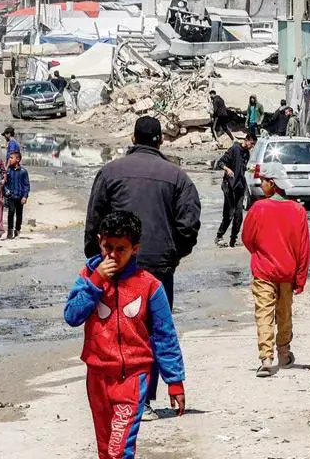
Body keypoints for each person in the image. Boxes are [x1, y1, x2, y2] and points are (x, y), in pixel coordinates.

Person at [86, 116, 201, 421]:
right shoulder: (177, 176)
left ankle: (117, 395)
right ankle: (143, 399)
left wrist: (96, 262)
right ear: (160, 140)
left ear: (133, 138)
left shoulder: (110, 172)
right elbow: (189, 223)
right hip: (158, 268)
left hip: (114, 265)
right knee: (154, 330)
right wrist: (173, 254)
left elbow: (94, 218)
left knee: (116, 329)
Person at [64, 210, 186, 459]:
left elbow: (164, 335)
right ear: (100, 241)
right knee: (105, 449)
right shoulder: (88, 277)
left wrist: (174, 381)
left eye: (121, 249)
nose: (112, 255)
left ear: (135, 249)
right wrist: (96, 282)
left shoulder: (149, 285)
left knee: (119, 450)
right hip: (97, 377)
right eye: (108, 247)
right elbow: (72, 316)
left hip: (132, 378)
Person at [241, 162, 310, 378]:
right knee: (284, 313)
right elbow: (304, 249)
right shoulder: (298, 210)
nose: (260, 184)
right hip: (288, 273)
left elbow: (247, 238)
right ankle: (284, 353)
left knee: (264, 313)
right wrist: (300, 278)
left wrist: (260, 254)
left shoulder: (258, 208)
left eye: (263, 180)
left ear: (272, 183)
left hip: (263, 271)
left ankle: (266, 359)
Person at [214, 133, 256, 248]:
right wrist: (227, 169)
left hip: (240, 187)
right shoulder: (234, 149)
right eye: (252, 143)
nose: (252, 146)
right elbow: (220, 162)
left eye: (254, 145)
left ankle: (233, 238)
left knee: (238, 215)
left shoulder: (247, 154)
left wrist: (249, 170)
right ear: (246, 140)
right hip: (229, 186)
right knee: (229, 213)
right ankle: (219, 236)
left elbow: (242, 168)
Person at [4, 151, 30, 239]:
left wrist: (25, 196)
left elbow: (26, 185)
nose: (10, 159)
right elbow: (5, 183)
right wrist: (6, 191)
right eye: (9, 158)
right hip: (11, 196)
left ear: (18, 159)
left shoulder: (23, 171)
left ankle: (17, 230)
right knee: (11, 212)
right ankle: (10, 231)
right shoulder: (8, 170)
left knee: (19, 214)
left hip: (20, 197)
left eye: (12, 158)